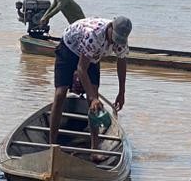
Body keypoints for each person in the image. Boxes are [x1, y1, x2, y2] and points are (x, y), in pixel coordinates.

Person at [48, 15, 131, 159]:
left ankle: (94, 149)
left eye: (118, 40)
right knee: (60, 94)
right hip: (69, 48)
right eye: (114, 38)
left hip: (93, 55)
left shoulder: (120, 40)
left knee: (94, 101)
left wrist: (121, 92)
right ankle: (52, 145)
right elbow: (81, 69)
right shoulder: (94, 34)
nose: (114, 42)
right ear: (110, 27)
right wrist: (92, 98)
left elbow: (122, 63)